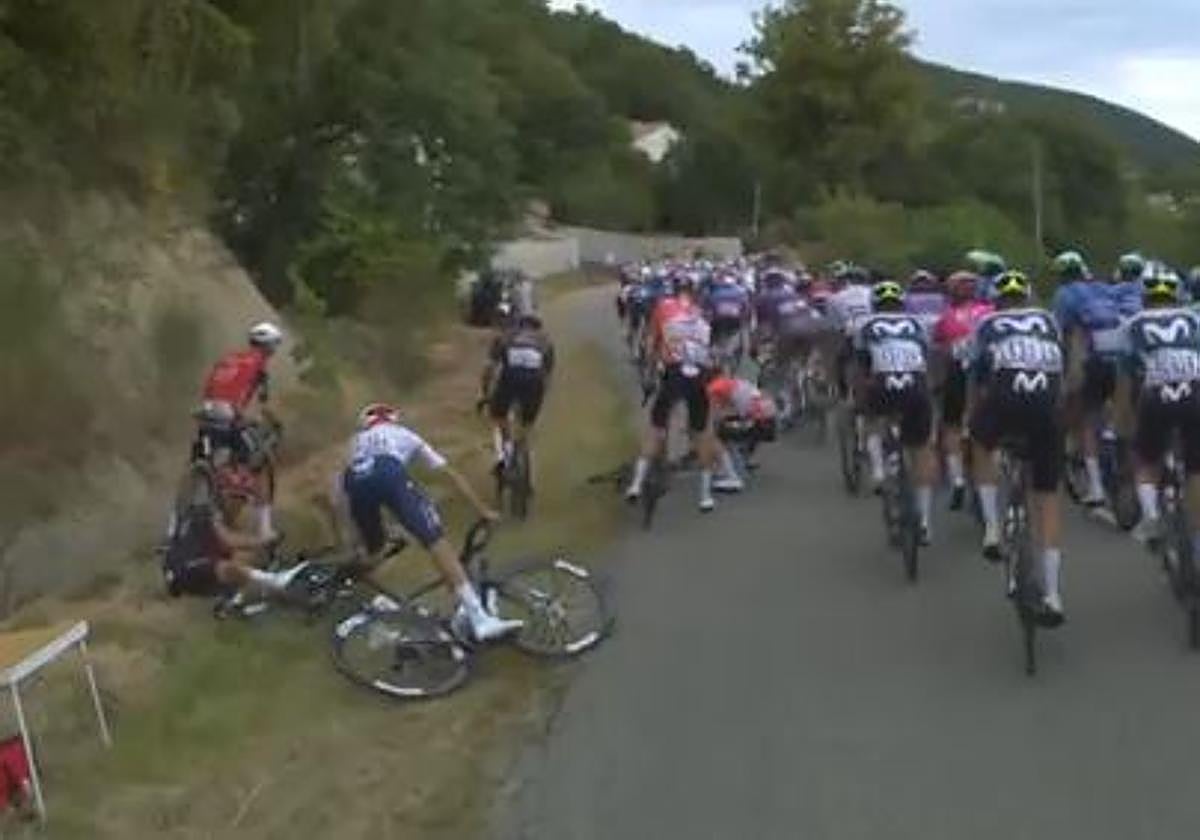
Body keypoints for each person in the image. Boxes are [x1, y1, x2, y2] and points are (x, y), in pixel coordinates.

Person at [340, 404, 520, 642]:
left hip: (354, 481)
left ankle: (364, 596)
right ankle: (479, 619)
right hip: (389, 472)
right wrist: (482, 509)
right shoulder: (405, 435)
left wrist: (351, 535)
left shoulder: (357, 442)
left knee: (375, 550)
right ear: (393, 421)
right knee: (436, 541)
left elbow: (345, 492)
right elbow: (448, 475)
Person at [969, 270, 1067, 624]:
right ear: (1028, 296)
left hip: (1006, 395)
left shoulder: (986, 322)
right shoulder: (1049, 321)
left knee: (980, 442)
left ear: (995, 298)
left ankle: (992, 529)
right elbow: (1062, 369)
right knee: (1047, 498)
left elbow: (977, 375)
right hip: (1046, 402)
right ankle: (1054, 594)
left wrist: (973, 420)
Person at [1114, 267, 1200, 549]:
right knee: (1195, 470)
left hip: (1157, 395)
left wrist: (1123, 423)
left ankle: (1151, 518)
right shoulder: (1193, 318)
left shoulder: (1131, 325)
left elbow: (1125, 381)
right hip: (1194, 392)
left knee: (1145, 458)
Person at [625, 278, 722, 512]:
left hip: (674, 372)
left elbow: (650, 344)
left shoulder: (664, 307)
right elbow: (712, 353)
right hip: (700, 374)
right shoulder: (703, 314)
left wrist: (648, 376)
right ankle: (705, 496)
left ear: (674, 293)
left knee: (656, 429)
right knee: (701, 434)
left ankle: (636, 485)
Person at [854, 280, 938, 545]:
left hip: (883, 386)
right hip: (916, 386)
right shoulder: (917, 324)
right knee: (921, 449)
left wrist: (857, 395)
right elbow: (927, 357)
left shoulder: (864, 325)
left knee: (872, 418)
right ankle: (924, 520)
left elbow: (860, 365)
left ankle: (879, 471)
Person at [196, 321, 285, 540]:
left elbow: (211, 388)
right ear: (270, 347)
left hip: (206, 411)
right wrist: (276, 421)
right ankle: (264, 530)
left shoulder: (228, 358)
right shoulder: (259, 364)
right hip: (228, 414)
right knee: (261, 462)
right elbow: (264, 405)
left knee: (215, 458)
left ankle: (211, 488)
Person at [1051, 249, 1126, 508]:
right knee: (1121, 408)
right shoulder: (1104, 289)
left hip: (1091, 362)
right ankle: (1115, 437)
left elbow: (1060, 335)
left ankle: (1096, 487)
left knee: (1085, 420)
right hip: (1119, 360)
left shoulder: (1064, 294)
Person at [162, 473, 296, 603]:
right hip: (184, 568)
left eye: (243, 499)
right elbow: (227, 539)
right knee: (228, 567)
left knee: (244, 559)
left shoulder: (227, 519)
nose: (238, 504)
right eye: (234, 497)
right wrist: (262, 540)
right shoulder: (207, 512)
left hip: (204, 570)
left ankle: (240, 596)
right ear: (221, 496)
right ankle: (275, 581)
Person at [932, 271, 993, 508]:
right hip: (987, 373)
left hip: (957, 371)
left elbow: (937, 352)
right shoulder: (989, 311)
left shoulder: (945, 317)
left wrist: (935, 382)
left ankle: (957, 477)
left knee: (951, 425)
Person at [481, 312, 556, 476]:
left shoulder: (506, 337)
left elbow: (489, 369)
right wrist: (541, 397)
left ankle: (503, 456)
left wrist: (485, 394)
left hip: (510, 379)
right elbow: (547, 376)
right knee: (527, 424)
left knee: (497, 416)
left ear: (519, 325)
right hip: (534, 384)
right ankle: (525, 460)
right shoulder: (545, 341)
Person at [706, 374, 778, 487]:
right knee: (733, 433)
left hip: (760, 419)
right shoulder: (735, 383)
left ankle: (733, 474)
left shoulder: (714, 387)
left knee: (721, 437)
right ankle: (736, 466)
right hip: (768, 418)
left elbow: (717, 413)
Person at [703, 271, 751, 371]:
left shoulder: (715, 293)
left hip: (718, 321)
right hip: (735, 321)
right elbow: (746, 309)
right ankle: (732, 355)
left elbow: (707, 310)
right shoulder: (741, 292)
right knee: (736, 334)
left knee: (714, 337)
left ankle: (713, 353)